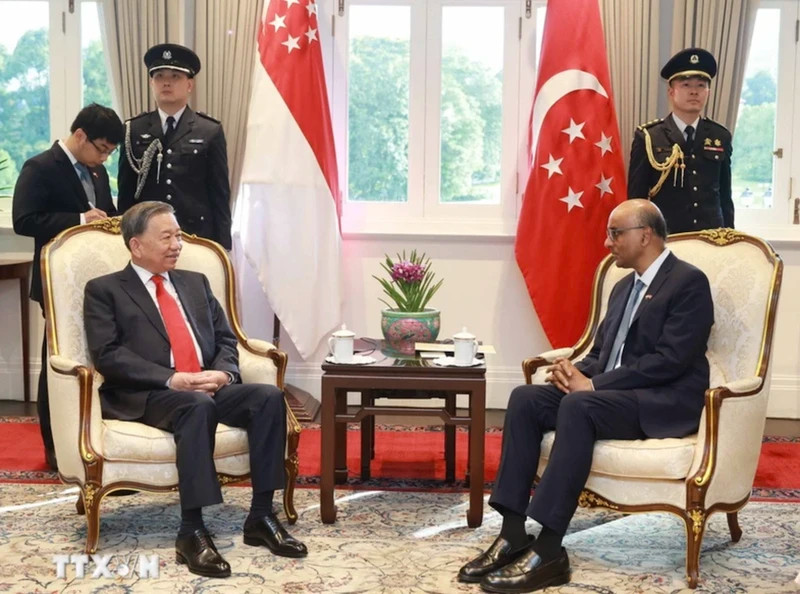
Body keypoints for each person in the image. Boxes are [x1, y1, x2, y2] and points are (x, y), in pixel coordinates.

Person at [458, 199, 713, 593]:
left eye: (616, 232)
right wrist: (573, 372)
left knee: (580, 404)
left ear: (645, 235)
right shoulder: (624, 285)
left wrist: (592, 385)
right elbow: (601, 354)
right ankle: (512, 533)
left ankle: (549, 549)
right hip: (609, 396)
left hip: (659, 401)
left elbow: (671, 361)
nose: (607, 242)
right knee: (526, 398)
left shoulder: (688, 282)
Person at [83, 201, 307, 577]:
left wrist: (223, 375)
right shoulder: (105, 290)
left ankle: (261, 516)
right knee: (195, 407)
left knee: (268, 397)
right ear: (136, 245)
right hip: (150, 393)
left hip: (206, 383)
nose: (177, 244)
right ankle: (192, 531)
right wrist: (172, 378)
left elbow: (225, 339)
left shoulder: (195, 282)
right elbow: (108, 356)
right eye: (166, 237)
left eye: (178, 235)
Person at [12, 103, 123, 471]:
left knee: (101, 357)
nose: (104, 158)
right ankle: (56, 447)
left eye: (109, 152)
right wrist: (79, 219)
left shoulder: (98, 172)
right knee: (60, 363)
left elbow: (105, 213)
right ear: (80, 136)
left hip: (99, 282)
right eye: (102, 149)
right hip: (57, 283)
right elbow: (24, 220)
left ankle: (98, 440)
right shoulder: (40, 167)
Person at [118, 43, 232, 249]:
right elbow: (126, 193)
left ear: (190, 84)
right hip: (147, 239)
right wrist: (123, 241)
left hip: (196, 237)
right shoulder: (133, 129)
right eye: (159, 76)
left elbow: (220, 194)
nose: (166, 83)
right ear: (151, 83)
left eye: (175, 77)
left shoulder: (209, 130)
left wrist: (223, 247)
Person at [627, 48, 733, 233]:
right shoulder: (649, 136)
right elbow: (637, 199)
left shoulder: (719, 136)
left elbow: (725, 196)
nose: (694, 92)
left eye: (701, 85)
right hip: (667, 237)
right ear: (671, 91)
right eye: (686, 85)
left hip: (711, 238)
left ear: (708, 92)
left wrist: (731, 236)